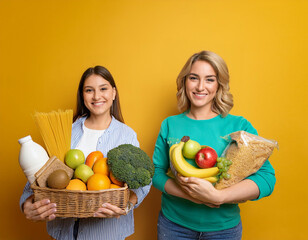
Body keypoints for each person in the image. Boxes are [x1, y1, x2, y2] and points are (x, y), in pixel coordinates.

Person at [152, 51, 276, 240]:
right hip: (174, 225)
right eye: (194, 78)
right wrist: (191, 196)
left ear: (219, 85)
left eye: (209, 79)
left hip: (223, 230)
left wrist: (218, 197)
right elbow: (156, 172)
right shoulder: (170, 124)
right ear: (185, 81)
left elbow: (267, 179)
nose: (200, 86)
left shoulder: (239, 126)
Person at [20, 65, 152, 240]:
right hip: (63, 232)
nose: (97, 96)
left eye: (103, 89)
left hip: (107, 233)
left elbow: (143, 182)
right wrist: (26, 204)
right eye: (89, 90)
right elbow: (41, 175)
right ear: (83, 96)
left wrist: (127, 206)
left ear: (113, 93)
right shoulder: (66, 131)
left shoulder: (126, 135)